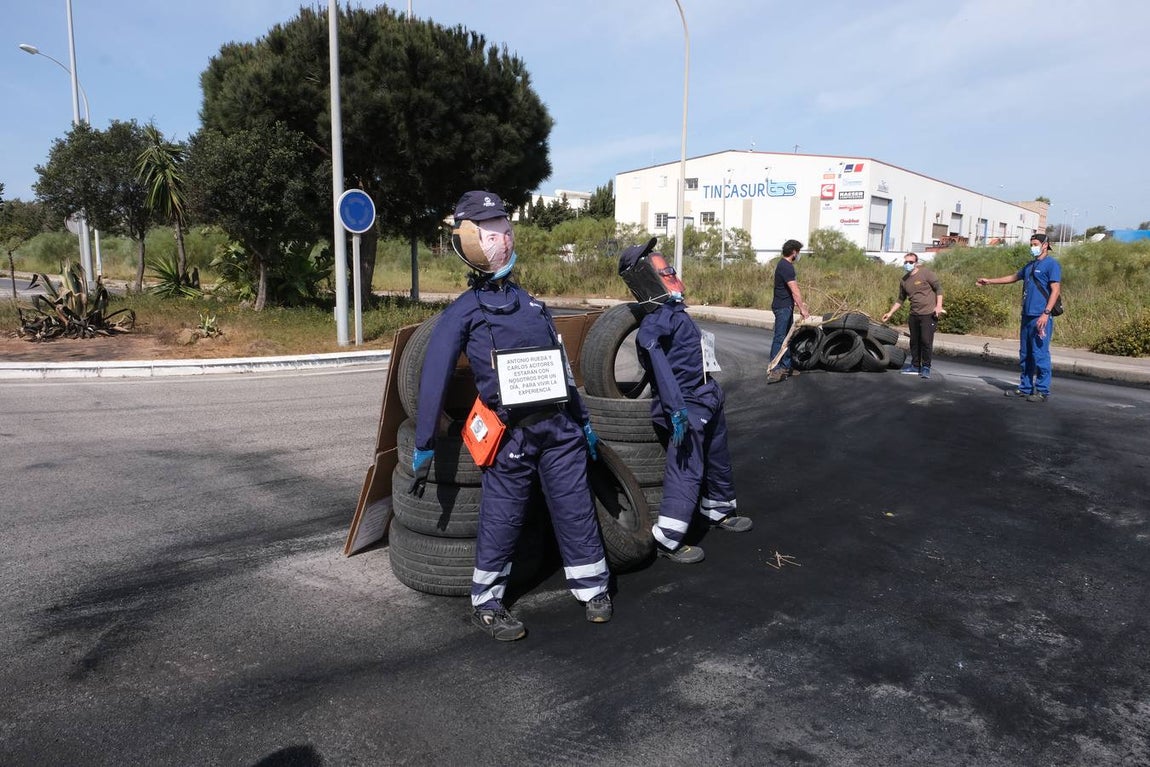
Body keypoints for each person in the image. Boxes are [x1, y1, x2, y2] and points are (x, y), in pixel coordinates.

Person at [410, 190, 612, 641]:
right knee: (502, 516)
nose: (502, 236)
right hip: (510, 438)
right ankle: (487, 601)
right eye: (490, 229)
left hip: (558, 431)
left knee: (575, 507)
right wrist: (425, 441)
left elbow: (561, 367)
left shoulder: (534, 306)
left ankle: (593, 586)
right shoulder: (461, 314)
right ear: (469, 242)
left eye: (503, 225)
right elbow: (434, 376)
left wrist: (583, 421)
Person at [618, 238, 753, 565]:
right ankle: (668, 537)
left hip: (708, 395)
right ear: (645, 276)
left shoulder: (675, 312)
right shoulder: (658, 320)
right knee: (687, 466)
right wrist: (675, 407)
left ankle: (719, 509)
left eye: (666, 266)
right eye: (660, 268)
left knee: (717, 456)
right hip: (688, 404)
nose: (668, 270)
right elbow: (655, 356)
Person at [976, 232, 1062, 402]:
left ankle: (1042, 391)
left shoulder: (1052, 265)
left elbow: (1055, 290)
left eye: (1035, 244)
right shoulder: (1029, 266)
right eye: (1031, 244)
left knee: (1040, 354)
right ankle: (1025, 387)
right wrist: (990, 281)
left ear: (1045, 245)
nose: (1033, 247)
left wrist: (1046, 313)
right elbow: (1013, 277)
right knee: (1025, 354)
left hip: (1040, 316)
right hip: (1027, 316)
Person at [881, 252, 945, 379]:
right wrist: (890, 313)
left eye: (910, 262)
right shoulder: (904, 280)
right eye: (906, 262)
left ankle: (926, 367)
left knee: (926, 341)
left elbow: (939, 289)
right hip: (914, 314)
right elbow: (900, 299)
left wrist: (938, 306)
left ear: (916, 263)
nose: (908, 264)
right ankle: (915, 366)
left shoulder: (926, 273)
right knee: (914, 342)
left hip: (928, 314)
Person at [767, 239, 810, 384]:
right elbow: (794, 290)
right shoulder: (786, 267)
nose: (799, 255)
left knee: (787, 337)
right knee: (780, 338)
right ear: (793, 252)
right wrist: (802, 309)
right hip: (782, 307)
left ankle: (786, 366)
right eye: (798, 252)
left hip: (786, 306)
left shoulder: (783, 265)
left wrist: (798, 304)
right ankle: (774, 368)